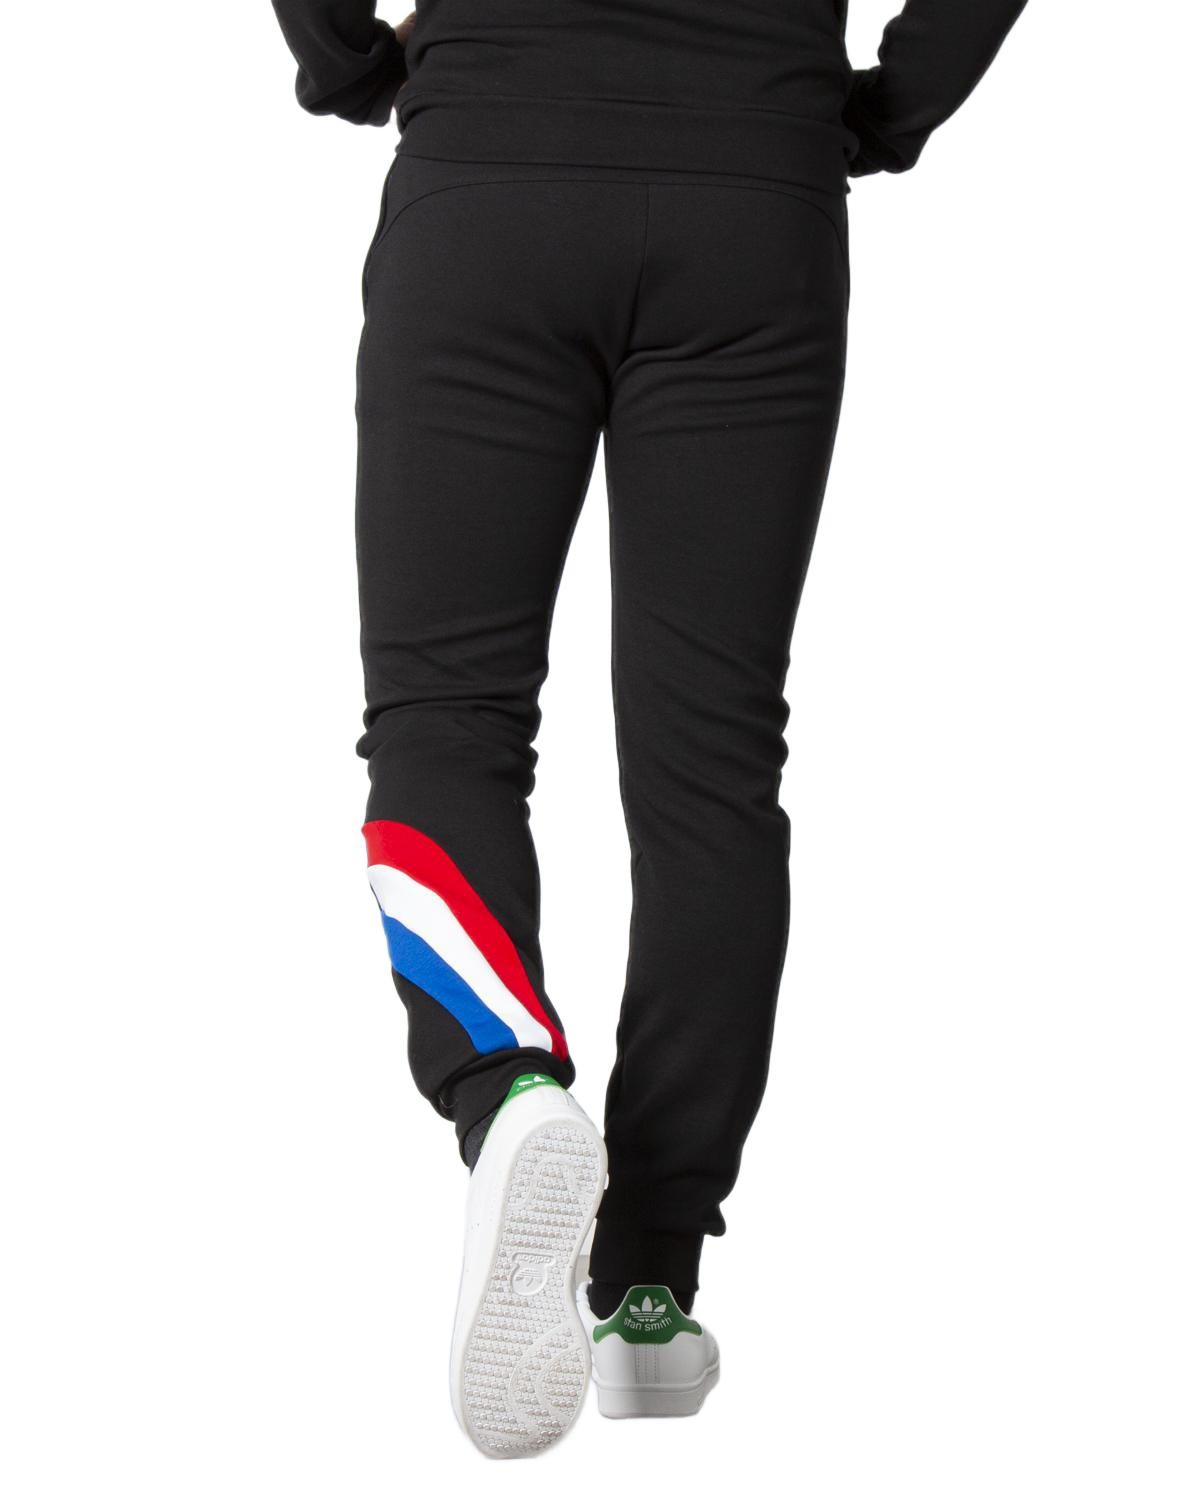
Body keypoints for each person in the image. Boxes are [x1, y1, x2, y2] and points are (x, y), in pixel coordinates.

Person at [271, 0, 1027, 1458]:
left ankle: (507, 1085)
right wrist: (884, 108)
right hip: (756, 195)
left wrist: (347, 60)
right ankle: (648, 1285)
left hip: (490, 177)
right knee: (713, 764)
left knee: (443, 721)